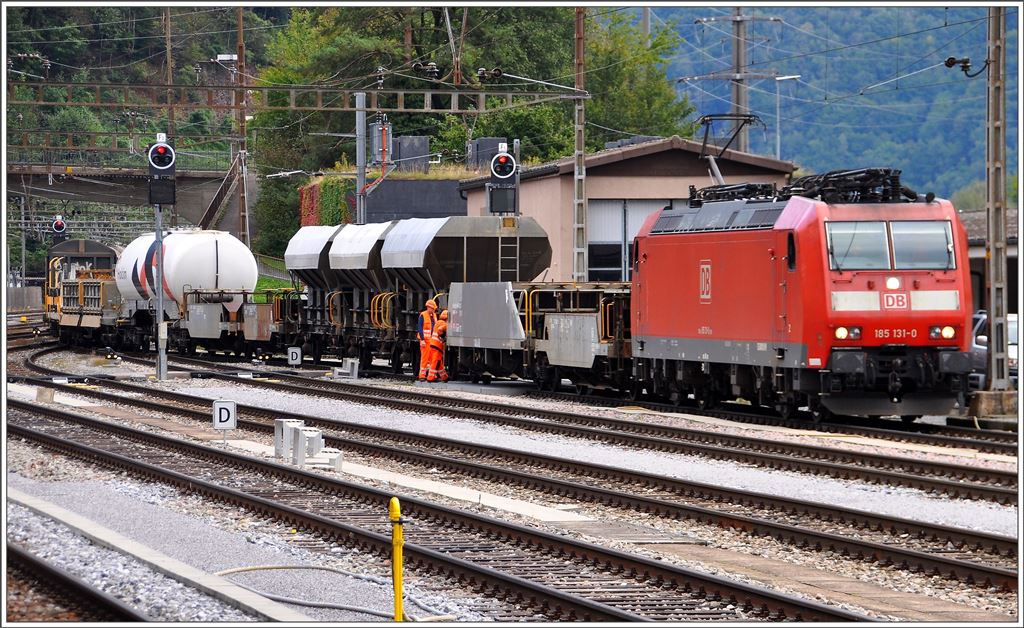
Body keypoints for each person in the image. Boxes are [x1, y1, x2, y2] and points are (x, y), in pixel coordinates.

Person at [426, 309, 449, 383]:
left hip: (432, 344)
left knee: (439, 363)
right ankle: (430, 378)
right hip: (437, 346)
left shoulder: (438, 322)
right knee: (435, 362)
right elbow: (439, 330)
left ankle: (444, 377)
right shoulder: (445, 324)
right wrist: (443, 338)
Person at [417, 299, 437, 380]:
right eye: (432, 308)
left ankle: (431, 376)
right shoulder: (423, 315)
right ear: (428, 307)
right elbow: (420, 328)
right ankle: (422, 376)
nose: (433, 310)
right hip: (425, 341)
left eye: (434, 309)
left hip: (432, 341)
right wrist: (422, 340)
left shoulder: (434, 315)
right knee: (425, 358)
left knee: (432, 359)